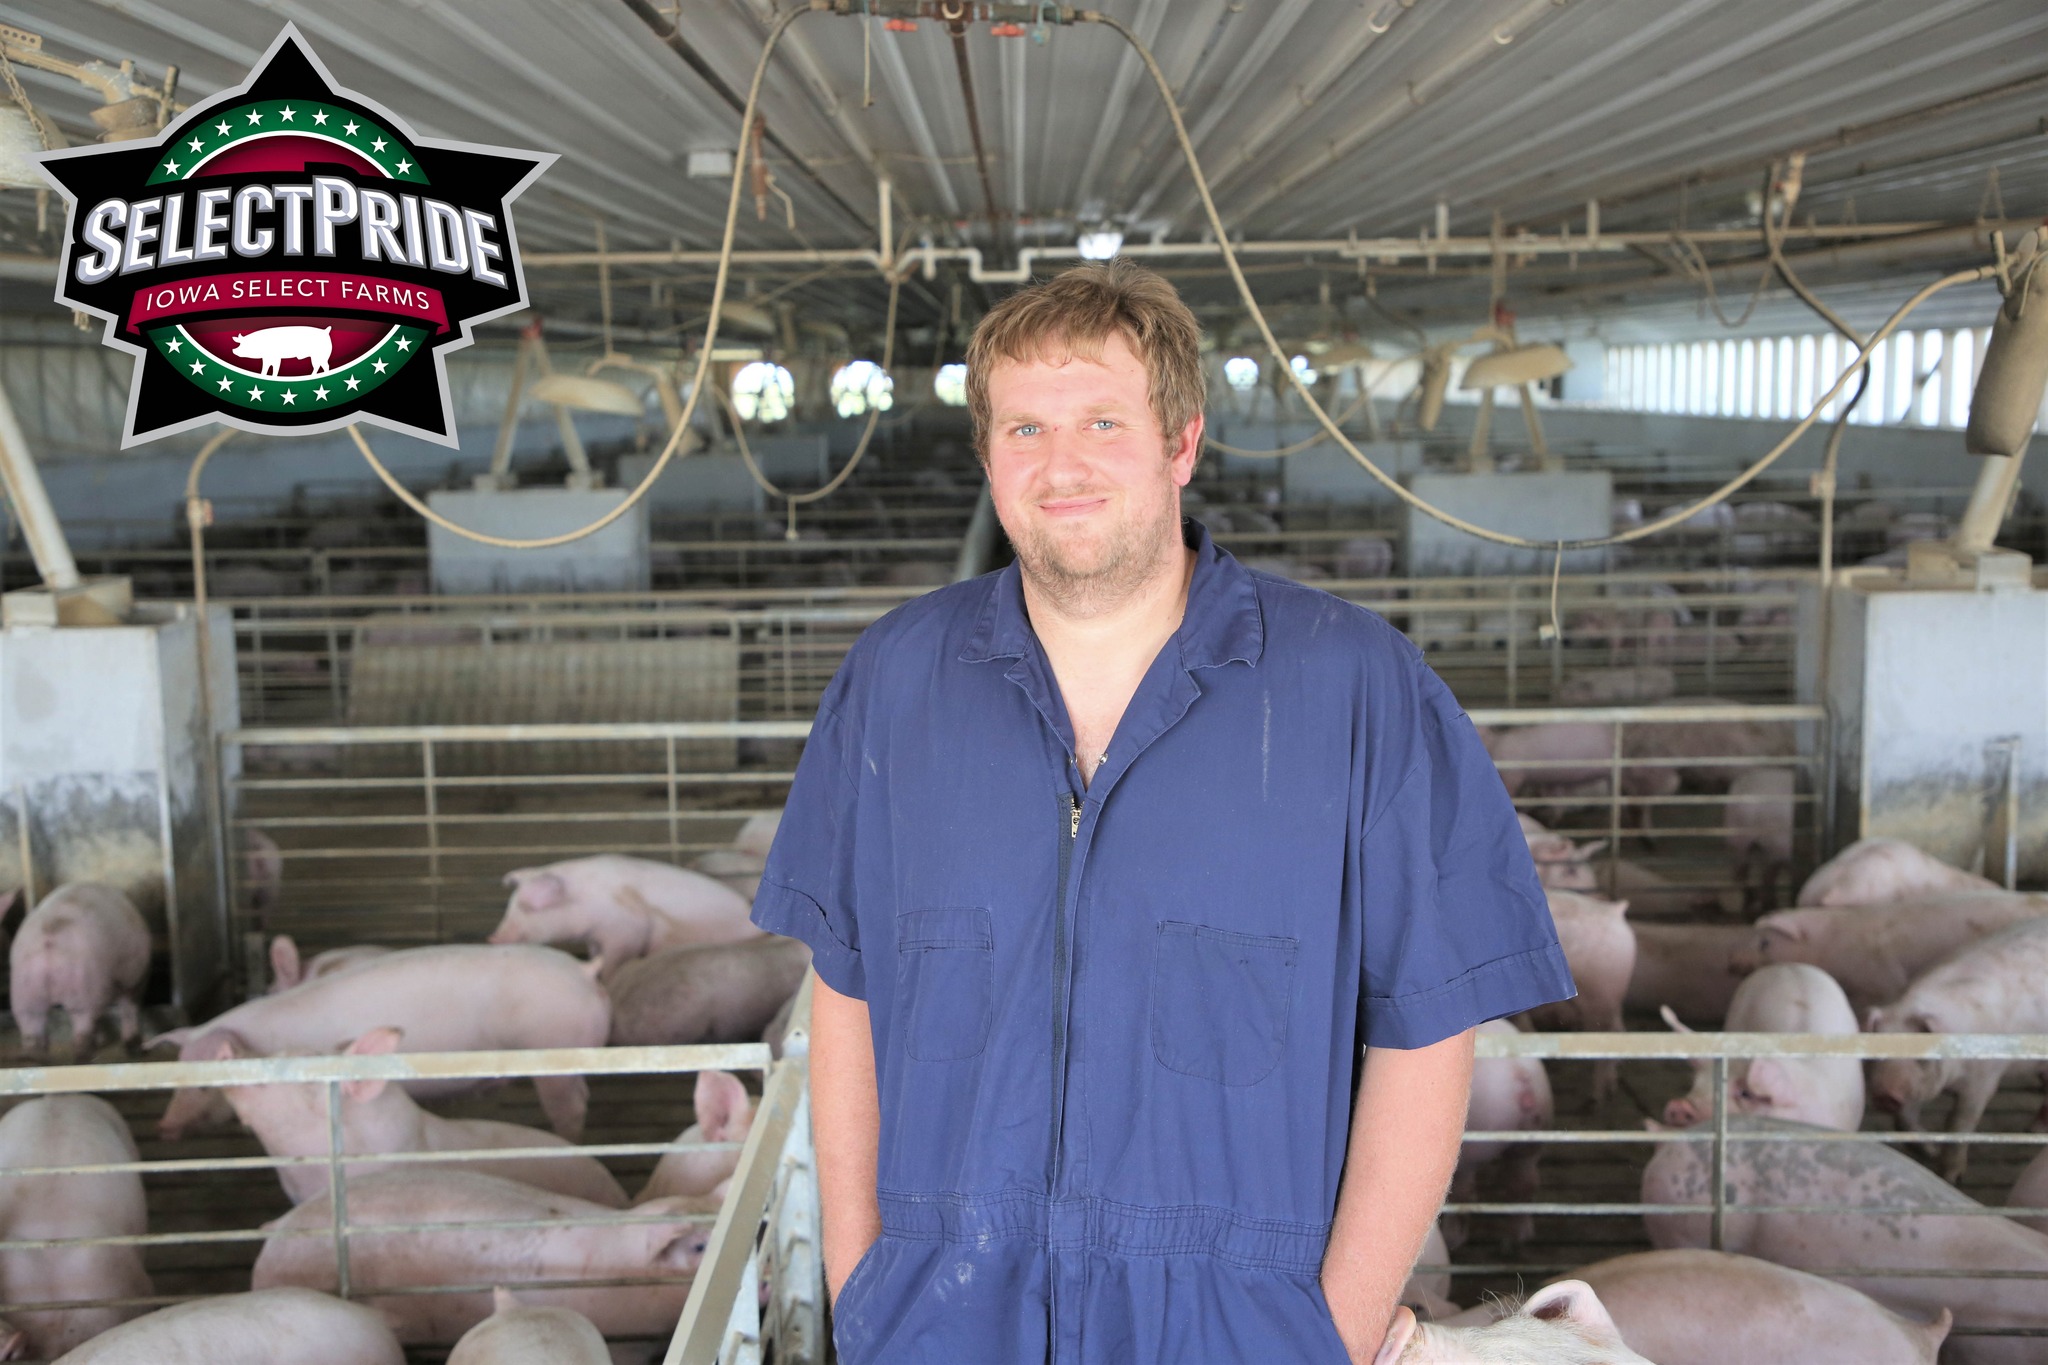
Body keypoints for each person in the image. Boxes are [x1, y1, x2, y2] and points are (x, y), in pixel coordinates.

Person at [751, 259, 1573, 1364]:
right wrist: (862, 1290)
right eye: (1023, 430)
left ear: (1179, 443)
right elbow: (844, 993)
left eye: (1100, 420)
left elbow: (1428, 1030)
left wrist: (1323, 1333)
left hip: (1235, 1330)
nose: (1060, 466)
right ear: (987, 457)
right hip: (940, 1320)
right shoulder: (892, 683)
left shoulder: (1356, 690)